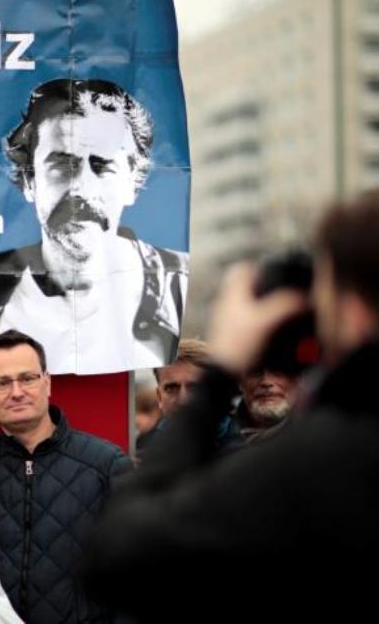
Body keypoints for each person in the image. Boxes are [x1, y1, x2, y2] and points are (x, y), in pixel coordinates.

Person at [82, 188, 379, 622]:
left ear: (350, 313)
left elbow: (117, 555)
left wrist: (222, 370)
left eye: (323, 296)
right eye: (171, 389)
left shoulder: (321, 456)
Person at [0, 78, 188, 376]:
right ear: (29, 180)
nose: (81, 188)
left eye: (102, 166)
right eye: (62, 165)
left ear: (132, 184)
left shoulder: (181, 286)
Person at [0, 330, 132, 623]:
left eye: (27, 378)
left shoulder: (106, 464)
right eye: (2, 383)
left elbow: (138, 570)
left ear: (47, 383)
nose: (16, 392)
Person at [233, 366, 296, 441]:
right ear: (240, 383)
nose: (266, 382)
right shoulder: (222, 433)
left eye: (278, 372)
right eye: (255, 373)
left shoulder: (308, 431)